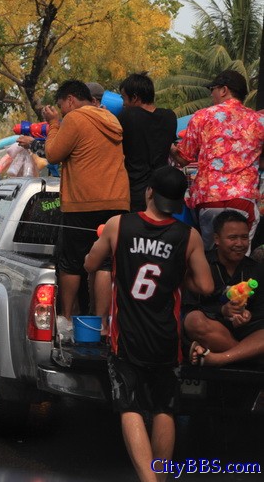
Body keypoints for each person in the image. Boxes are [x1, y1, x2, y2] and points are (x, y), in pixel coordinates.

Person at [85, 166, 213, 482]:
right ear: (179, 202)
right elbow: (206, 286)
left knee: (129, 405)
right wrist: (178, 274)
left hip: (126, 335)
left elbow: (90, 262)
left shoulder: (119, 225)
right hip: (166, 338)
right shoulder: (189, 237)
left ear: (149, 192)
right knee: (164, 408)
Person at [43, 79, 130, 331]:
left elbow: (53, 154)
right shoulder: (111, 119)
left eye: (61, 106)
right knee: (104, 263)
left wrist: (53, 124)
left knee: (71, 263)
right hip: (116, 202)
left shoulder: (75, 118)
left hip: (83, 202)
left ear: (71, 100)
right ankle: (101, 323)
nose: (61, 111)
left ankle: (67, 319)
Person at [171, 70, 264, 251]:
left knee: (211, 255)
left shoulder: (202, 116)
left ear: (224, 90)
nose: (211, 94)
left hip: (208, 200)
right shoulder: (259, 120)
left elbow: (183, 159)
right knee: (239, 256)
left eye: (212, 89)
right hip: (243, 200)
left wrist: (170, 148)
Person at [183, 211, 264, 367]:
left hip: (248, 333)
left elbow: (260, 313)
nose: (240, 244)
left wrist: (247, 315)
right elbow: (190, 308)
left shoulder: (256, 269)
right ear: (217, 239)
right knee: (193, 321)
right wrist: (222, 310)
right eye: (233, 238)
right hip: (215, 331)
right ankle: (252, 359)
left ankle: (219, 359)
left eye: (244, 237)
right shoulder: (202, 264)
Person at [112, 73, 179, 213]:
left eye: (124, 98)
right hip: (162, 190)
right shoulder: (169, 116)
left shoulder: (128, 116)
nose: (123, 104)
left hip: (135, 189)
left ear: (135, 97)